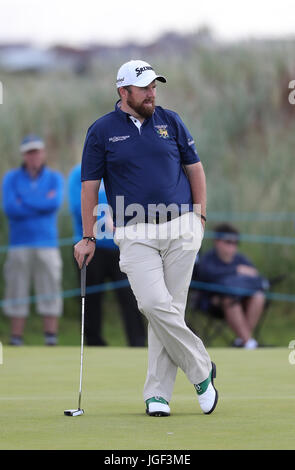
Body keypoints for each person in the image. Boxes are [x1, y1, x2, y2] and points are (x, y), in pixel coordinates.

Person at [74, 59, 218, 417]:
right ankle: (202, 369)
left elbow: (194, 168)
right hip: (134, 230)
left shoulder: (170, 121)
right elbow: (89, 187)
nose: (152, 93)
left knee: (170, 310)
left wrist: (199, 216)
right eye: (145, 88)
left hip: (181, 227)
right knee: (154, 305)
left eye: (155, 87)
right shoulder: (102, 131)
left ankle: (157, 395)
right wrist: (88, 236)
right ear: (124, 92)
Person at [68, 163, 146, 346]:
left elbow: (136, 199)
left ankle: (137, 342)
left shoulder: (121, 168)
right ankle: (93, 342)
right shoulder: (78, 173)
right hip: (92, 248)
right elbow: (76, 205)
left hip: (123, 247)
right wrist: (105, 217)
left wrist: (120, 216)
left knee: (131, 298)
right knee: (92, 299)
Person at [2, 134, 64, 346]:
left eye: (37, 151)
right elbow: (11, 208)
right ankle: (16, 338)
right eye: (29, 152)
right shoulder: (11, 178)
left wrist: (25, 200)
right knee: (16, 290)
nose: (34, 155)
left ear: (43, 153)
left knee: (50, 289)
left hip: (47, 244)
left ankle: (50, 338)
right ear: (24, 155)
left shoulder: (54, 178)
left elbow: (53, 204)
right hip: (19, 244)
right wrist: (39, 202)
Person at [195, 223, 267, 349]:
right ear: (217, 242)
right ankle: (249, 343)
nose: (232, 246)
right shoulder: (208, 260)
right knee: (230, 299)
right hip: (214, 303)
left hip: (243, 300)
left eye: (235, 243)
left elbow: (256, 278)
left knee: (258, 296)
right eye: (228, 242)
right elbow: (206, 276)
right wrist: (236, 270)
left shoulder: (241, 259)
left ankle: (243, 341)